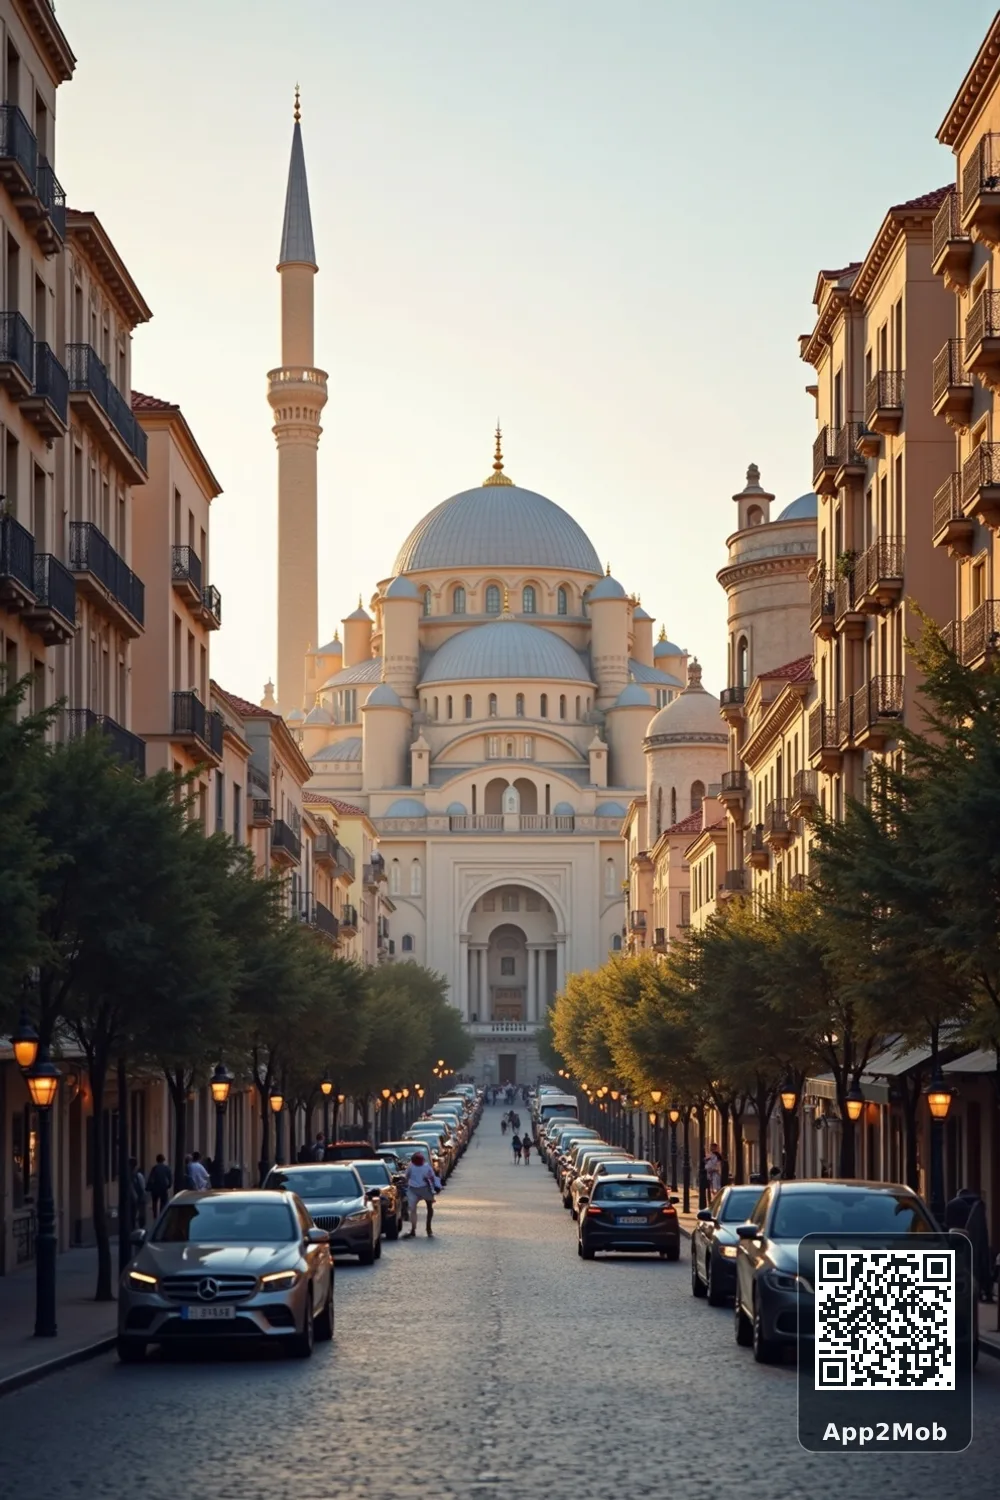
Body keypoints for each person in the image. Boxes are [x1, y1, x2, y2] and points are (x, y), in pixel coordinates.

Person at [404, 1151, 438, 1237]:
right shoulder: (427, 1167)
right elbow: (432, 1177)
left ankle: (413, 1229)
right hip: (425, 1189)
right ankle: (428, 1228)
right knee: (429, 1207)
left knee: (413, 1210)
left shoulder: (410, 1166)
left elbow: (406, 1177)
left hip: (413, 1189)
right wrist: (435, 1187)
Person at [129, 1158, 147, 1228]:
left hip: (136, 1198)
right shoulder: (138, 1175)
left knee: (135, 1214)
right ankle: (140, 1226)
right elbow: (143, 1186)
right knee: (139, 1214)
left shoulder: (134, 1175)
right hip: (138, 1197)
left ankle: (136, 1226)